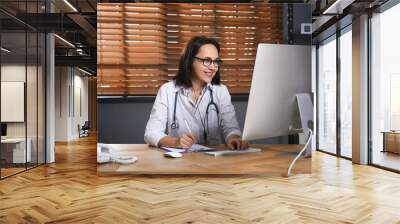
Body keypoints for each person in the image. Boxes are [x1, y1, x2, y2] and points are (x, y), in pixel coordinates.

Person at [144, 36, 248, 150]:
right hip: (179, 162)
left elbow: (231, 128)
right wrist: (176, 142)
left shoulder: (221, 91)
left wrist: (233, 138)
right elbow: (151, 133)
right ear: (190, 61)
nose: (213, 67)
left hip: (213, 161)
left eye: (216, 61)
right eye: (207, 61)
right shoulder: (167, 91)